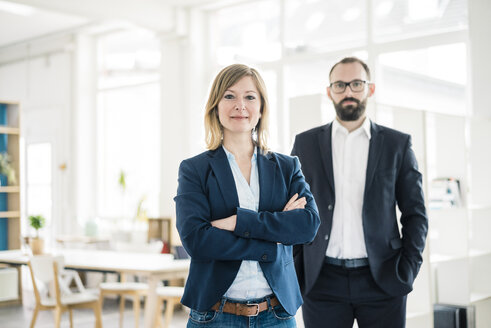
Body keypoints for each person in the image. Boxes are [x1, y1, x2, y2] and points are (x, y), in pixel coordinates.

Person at [175, 63, 320, 328]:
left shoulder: (287, 167)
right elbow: (196, 240)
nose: (240, 105)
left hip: (276, 315)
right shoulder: (195, 169)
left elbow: (307, 226)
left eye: (250, 97)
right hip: (214, 315)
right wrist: (273, 239)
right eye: (229, 96)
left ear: (261, 108)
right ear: (215, 106)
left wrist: (238, 223)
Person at [291, 57, 428, 328]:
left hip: (383, 279)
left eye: (356, 83)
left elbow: (416, 214)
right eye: (340, 85)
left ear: (370, 89)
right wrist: (298, 268)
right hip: (321, 280)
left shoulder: (397, 144)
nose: (349, 92)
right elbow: (292, 208)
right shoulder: (305, 143)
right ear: (329, 91)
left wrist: (407, 270)